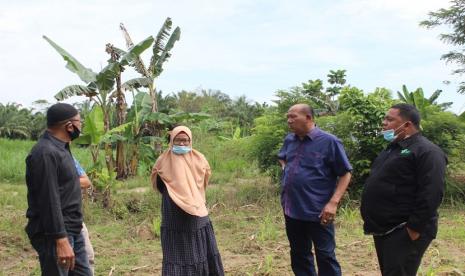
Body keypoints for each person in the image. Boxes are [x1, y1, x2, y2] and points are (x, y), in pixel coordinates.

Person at [361, 103, 447, 276]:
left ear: (407, 125)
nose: (384, 123)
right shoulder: (392, 148)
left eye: (390, 119)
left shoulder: (427, 151)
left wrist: (413, 229)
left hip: (404, 230)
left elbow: (432, 192)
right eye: (384, 118)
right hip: (384, 228)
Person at [278, 104, 352, 276]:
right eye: (288, 117)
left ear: (309, 118)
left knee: (325, 255)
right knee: (299, 253)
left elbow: (345, 174)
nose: (289, 121)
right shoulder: (290, 139)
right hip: (291, 208)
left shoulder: (329, 142)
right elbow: (282, 157)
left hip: (318, 210)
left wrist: (333, 203)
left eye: (293, 117)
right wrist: (286, 169)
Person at [25, 103, 92, 275]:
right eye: (79, 121)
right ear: (69, 125)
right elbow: (49, 199)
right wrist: (60, 239)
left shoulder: (61, 148)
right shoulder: (45, 153)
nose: (81, 125)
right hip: (55, 235)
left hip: (72, 229)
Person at [151, 126, 224, 276]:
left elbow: (204, 179)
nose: (182, 144)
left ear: (190, 141)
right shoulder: (163, 160)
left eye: (185, 140)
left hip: (197, 210)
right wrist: (176, 195)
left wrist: (192, 196)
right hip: (173, 212)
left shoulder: (199, 158)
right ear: (172, 141)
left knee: (199, 246)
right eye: (178, 140)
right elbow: (158, 183)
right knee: (177, 249)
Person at [73, 158, 95, 275]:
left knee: (88, 256)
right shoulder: (44, 155)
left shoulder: (68, 157)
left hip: (75, 218)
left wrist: (64, 181)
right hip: (55, 221)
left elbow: (86, 181)